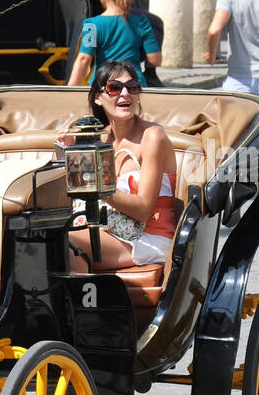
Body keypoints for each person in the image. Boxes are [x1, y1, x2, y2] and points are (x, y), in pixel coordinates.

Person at [68, 60, 177, 272]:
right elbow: (75, 194)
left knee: (66, 243)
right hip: (107, 230)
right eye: (114, 87)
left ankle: (86, 305)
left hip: (148, 237)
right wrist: (68, 156)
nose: (125, 93)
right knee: (40, 239)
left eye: (132, 87)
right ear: (98, 98)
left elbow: (144, 209)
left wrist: (98, 188)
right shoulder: (98, 138)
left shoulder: (152, 136)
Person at [68, 0, 162, 87]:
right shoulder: (142, 22)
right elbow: (155, 60)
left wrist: (70, 90)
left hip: (103, 84)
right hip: (134, 85)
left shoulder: (91, 25)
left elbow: (84, 59)